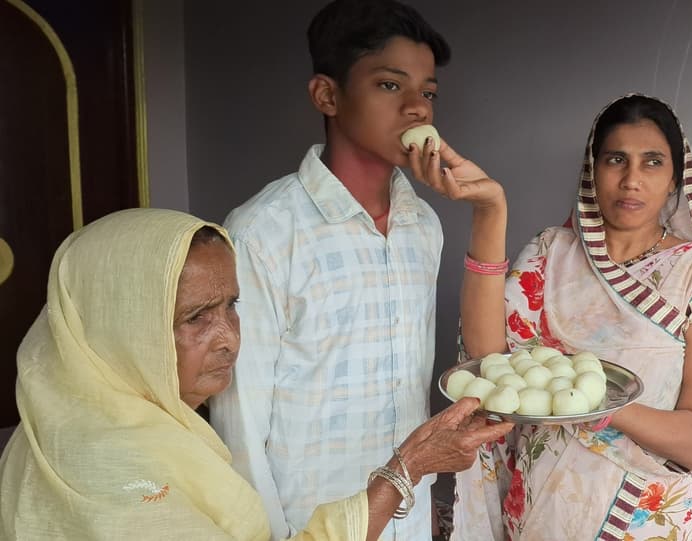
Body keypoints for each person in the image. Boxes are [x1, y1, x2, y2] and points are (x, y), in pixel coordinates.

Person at [0, 208, 513, 540]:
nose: (228, 338)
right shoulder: (104, 468)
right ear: (120, 324)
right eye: (195, 318)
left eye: (232, 305)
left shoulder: (141, 422)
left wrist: (408, 467)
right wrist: (407, 468)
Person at [415, 94, 692, 540]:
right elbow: (489, 360)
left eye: (652, 162)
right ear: (593, 169)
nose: (631, 180)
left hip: (638, 519)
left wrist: (602, 406)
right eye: (616, 160)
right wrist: (490, 210)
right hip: (539, 512)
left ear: (674, 180)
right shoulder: (551, 252)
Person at [208, 1, 455, 539]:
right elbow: (239, 423)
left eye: (429, 93)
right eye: (390, 85)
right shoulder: (263, 233)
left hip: (408, 518)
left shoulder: (423, 225)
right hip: (307, 523)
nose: (417, 108)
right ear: (327, 95)